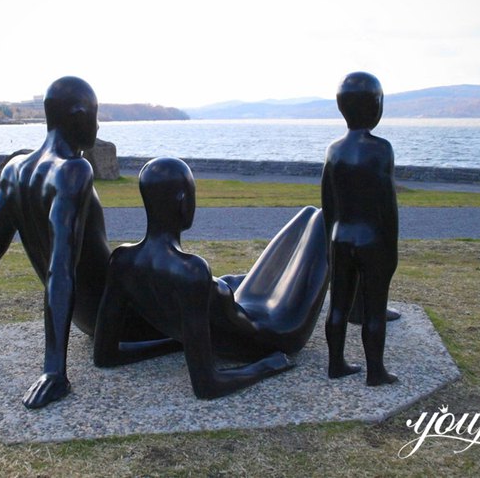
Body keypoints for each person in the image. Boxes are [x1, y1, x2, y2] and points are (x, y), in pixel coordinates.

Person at [0, 76, 158, 408]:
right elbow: (61, 268)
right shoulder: (73, 170)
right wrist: (54, 372)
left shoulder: (14, 170)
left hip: (87, 320)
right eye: (94, 116)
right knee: (211, 294)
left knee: (217, 288)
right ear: (79, 115)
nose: (97, 126)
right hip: (118, 318)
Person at [94, 157, 329, 399]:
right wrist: (267, 365)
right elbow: (207, 385)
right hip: (275, 333)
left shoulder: (122, 260)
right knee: (324, 220)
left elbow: (105, 355)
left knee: (307, 214)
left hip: (243, 311)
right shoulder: (190, 272)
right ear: (184, 203)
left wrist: (178, 340)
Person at [321, 72, 399, 386]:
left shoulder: (334, 150)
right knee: (374, 308)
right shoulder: (382, 149)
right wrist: (391, 250)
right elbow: (387, 205)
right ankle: (375, 371)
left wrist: (330, 243)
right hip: (372, 240)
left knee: (337, 304)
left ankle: (335, 363)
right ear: (376, 106)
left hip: (340, 237)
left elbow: (328, 202)